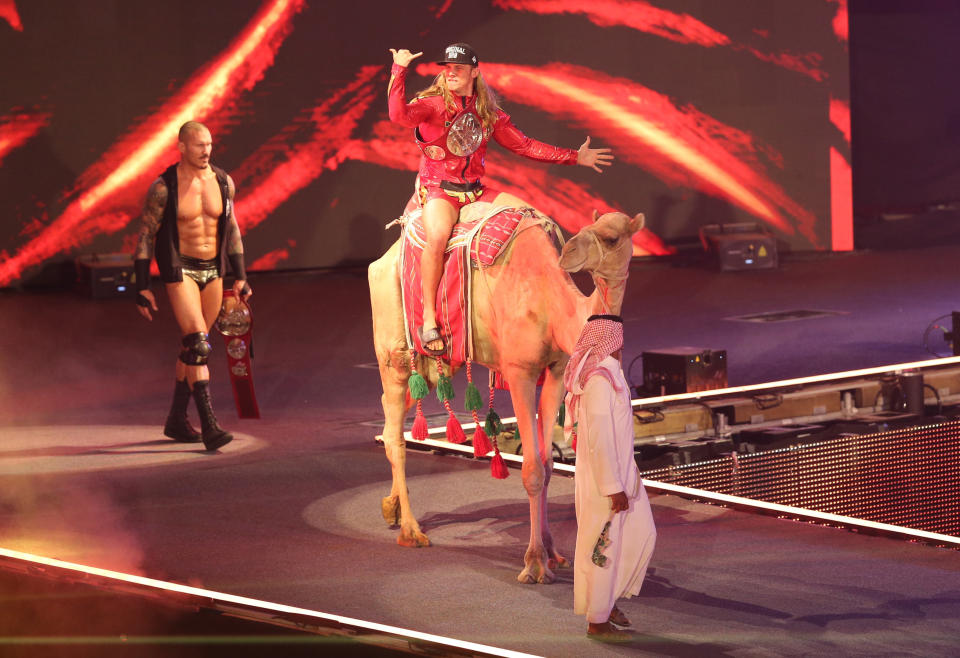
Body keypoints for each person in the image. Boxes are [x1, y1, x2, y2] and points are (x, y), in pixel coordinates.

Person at [388, 42, 613, 355]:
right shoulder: (432, 105)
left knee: (536, 220)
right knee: (437, 237)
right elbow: (398, 115)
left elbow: (524, 146)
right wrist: (399, 69)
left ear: (474, 72)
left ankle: (539, 306)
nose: (450, 72)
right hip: (441, 190)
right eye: (447, 68)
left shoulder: (488, 113)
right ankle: (428, 320)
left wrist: (575, 157)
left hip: (476, 190)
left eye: (458, 68)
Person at [133, 121, 252, 452]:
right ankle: (210, 425)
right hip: (180, 268)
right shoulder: (164, 187)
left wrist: (240, 275)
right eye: (199, 145)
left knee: (191, 348)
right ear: (182, 147)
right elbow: (145, 234)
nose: (206, 151)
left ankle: (175, 419)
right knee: (199, 345)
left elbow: (233, 228)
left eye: (210, 144)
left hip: (213, 270)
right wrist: (141, 283)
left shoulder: (223, 182)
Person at [564, 314, 656, 641]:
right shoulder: (600, 382)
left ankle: (608, 600)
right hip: (605, 484)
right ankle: (598, 621)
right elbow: (600, 440)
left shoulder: (611, 376)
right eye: (618, 339)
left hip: (623, 475)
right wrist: (612, 487)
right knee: (603, 548)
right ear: (612, 341)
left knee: (641, 533)